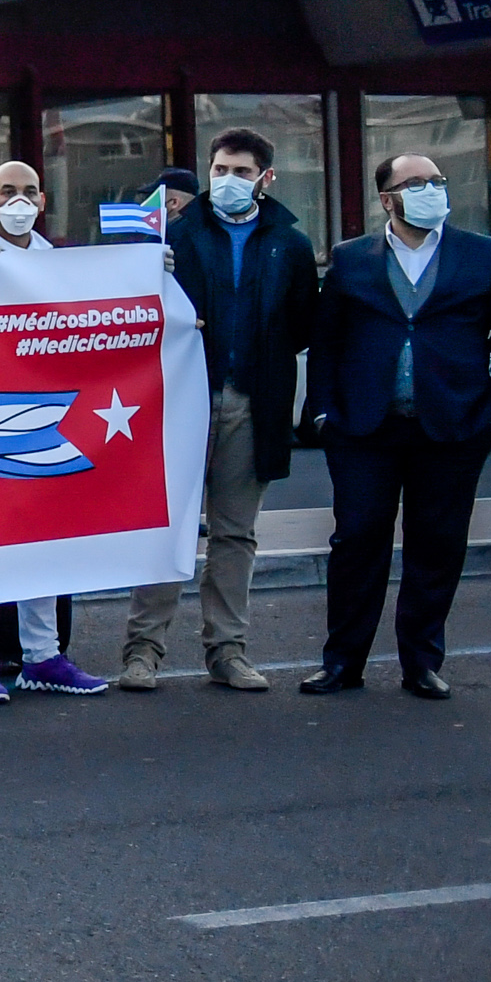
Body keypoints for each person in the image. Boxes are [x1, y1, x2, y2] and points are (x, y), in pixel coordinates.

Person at [302, 151, 491, 698]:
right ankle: (343, 662)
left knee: (438, 543)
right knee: (357, 540)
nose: (432, 189)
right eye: (417, 182)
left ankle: (422, 662)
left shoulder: (485, 255)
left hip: (453, 427)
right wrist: (323, 410)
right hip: (364, 429)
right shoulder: (351, 258)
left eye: (438, 181)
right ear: (387, 199)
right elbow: (327, 340)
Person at [121, 129, 318, 694]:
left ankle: (228, 651)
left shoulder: (289, 244)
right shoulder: (179, 234)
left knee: (235, 534)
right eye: (219, 169)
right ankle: (142, 652)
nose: (227, 181)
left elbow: (304, 324)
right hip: (181, 399)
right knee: (168, 527)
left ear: (265, 178)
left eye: (239, 171)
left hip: (253, 402)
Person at [0, 161, 109, 700]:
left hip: (44, 417)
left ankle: (43, 654)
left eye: (28, 192)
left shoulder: (57, 262)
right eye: (7, 191)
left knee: (43, 540)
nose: (18, 200)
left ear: (42, 201)